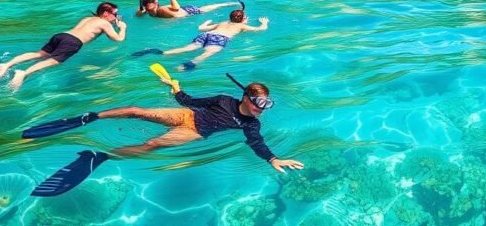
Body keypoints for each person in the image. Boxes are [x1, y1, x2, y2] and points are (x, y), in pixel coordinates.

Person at [22, 73, 304, 196]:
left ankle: (101, 156)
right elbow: (190, 102)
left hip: (195, 132)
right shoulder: (222, 99)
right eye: (260, 104)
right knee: (135, 109)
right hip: (188, 116)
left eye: (267, 105)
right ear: (246, 97)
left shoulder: (250, 125)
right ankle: (90, 117)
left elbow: (257, 143)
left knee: (151, 144)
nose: (262, 110)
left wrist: (273, 159)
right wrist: (175, 88)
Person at [0, 2, 127, 90]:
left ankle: (7, 64)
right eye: (115, 14)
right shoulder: (105, 23)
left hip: (61, 35)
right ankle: (23, 73)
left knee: (39, 54)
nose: (116, 17)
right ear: (106, 13)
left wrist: (114, 23)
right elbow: (118, 39)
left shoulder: (88, 18)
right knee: (54, 61)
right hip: (73, 42)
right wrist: (122, 28)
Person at [132, 8, 269, 71]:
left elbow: (201, 28)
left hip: (206, 35)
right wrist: (264, 23)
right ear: (243, 19)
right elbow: (260, 30)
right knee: (205, 55)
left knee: (184, 48)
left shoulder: (222, 23)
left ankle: (159, 52)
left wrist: (206, 22)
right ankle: (183, 67)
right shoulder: (243, 26)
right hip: (220, 39)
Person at [136, 0, 239, 19]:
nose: (148, 8)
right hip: (184, 11)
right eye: (146, 6)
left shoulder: (162, 9)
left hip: (189, 12)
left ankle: (225, 4)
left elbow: (176, 8)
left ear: (156, 3)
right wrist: (140, 12)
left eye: (150, 5)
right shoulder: (148, 11)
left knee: (205, 9)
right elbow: (138, 15)